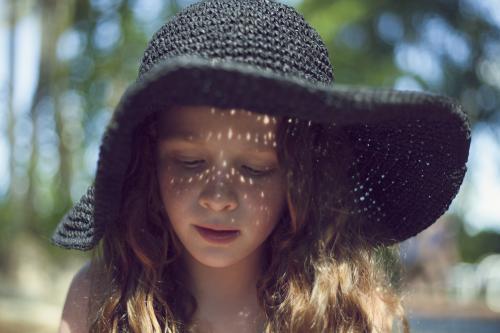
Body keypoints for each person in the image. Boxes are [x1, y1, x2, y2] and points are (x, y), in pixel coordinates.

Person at [51, 0, 471, 332]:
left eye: (255, 168)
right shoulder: (101, 301)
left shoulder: (355, 317)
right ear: (149, 163)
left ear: (303, 176)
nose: (218, 198)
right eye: (190, 161)